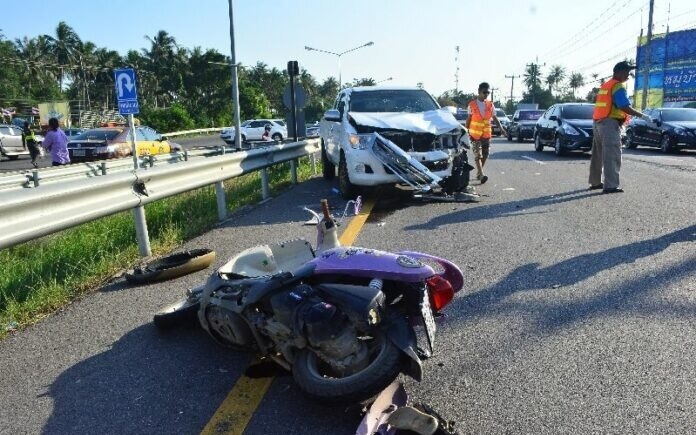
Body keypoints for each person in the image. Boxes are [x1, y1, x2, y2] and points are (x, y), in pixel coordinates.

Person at [589, 61, 651, 194]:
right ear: (618, 72)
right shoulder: (617, 86)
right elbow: (623, 106)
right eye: (626, 72)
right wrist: (642, 115)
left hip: (598, 122)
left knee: (598, 155)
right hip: (609, 124)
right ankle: (610, 185)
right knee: (612, 154)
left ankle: (595, 182)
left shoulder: (606, 85)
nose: (628, 75)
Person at [466, 82, 507, 184]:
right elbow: (469, 119)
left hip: (486, 135)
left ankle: (479, 173)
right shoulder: (472, 104)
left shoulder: (490, 104)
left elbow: (495, 118)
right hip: (475, 135)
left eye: (488, 92)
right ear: (479, 91)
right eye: (484, 92)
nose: (486, 94)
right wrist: (466, 130)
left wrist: (501, 129)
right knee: (478, 155)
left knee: (485, 154)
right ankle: (482, 175)